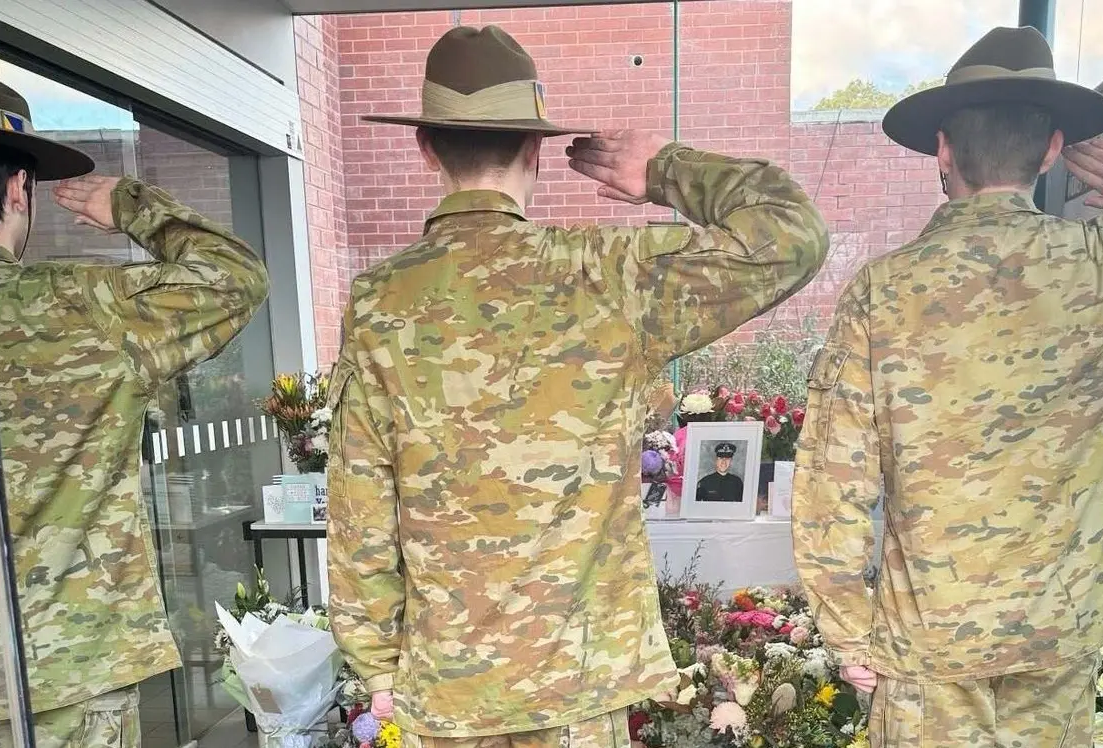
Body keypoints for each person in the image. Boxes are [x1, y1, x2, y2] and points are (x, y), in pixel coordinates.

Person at [327, 24, 827, 747]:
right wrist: (665, 170)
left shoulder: (380, 301)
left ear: (425, 147)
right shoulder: (607, 274)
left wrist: (375, 660)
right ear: (536, 149)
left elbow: (360, 501)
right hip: (577, 685)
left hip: (448, 682)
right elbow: (792, 234)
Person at [791, 26, 1103, 747]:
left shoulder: (884, 291)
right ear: (1053, 148)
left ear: (943, 148)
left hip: (930, 637)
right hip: (1064, 628)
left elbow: (833, 478)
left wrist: (846, 624)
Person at [0, 67, 269, 747]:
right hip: (78, 665)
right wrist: (133, 206)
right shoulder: (84, 305)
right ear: (18, 187)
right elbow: (236, 277)